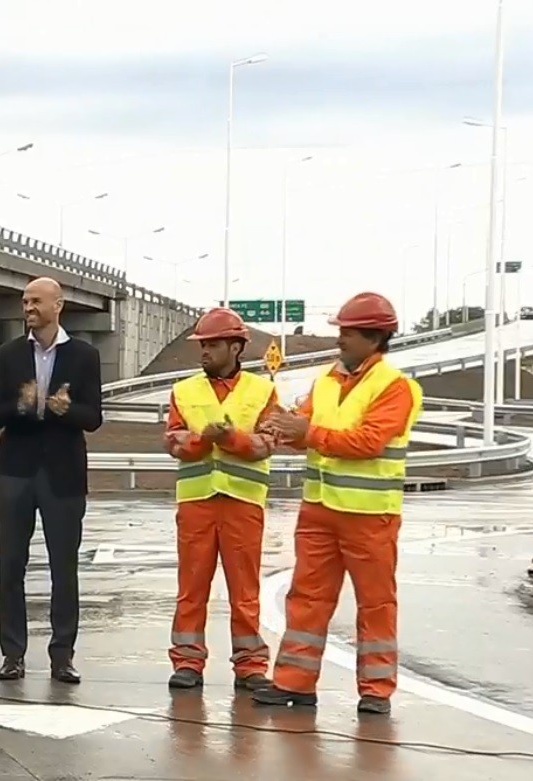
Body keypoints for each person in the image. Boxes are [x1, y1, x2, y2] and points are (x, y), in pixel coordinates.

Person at [252, 291, 422, 715]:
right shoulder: (327, 380)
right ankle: (294, 682)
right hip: (320, 510)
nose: (340, 339)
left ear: (374, 337)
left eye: (347, 331)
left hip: (370, 515)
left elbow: (367, 442)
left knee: (376, 603)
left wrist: (304, 431)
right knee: (306, 596)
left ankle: (376, 690)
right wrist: (279, 430)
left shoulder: (395, 388)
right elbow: (305, 429)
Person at [0, 276, 102, 683]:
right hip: (14, 471)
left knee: (63, 567)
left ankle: (62, 655)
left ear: (58, 305)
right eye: (24, 302)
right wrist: (23, 404)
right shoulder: (9, 353)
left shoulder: (84, 356)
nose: (28, 308)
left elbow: (94, 417)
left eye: (36, 301)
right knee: (10, 564)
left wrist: (62, 409)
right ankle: (12, 654)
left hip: (63, 474)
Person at [164, 307, 280, 691]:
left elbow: (268, 442)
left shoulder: (262, 391)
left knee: (244, 590)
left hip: (243, 504)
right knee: (191, 588)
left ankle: (250, 665)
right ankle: (187, 663)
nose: (205, 352)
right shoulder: (184, 391)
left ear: (236, 347)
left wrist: (230, 439)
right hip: (197, 503)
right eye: (203, 344)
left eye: (213, 344)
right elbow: (174, 441)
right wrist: (202, 441)